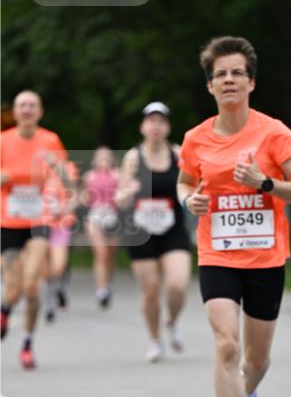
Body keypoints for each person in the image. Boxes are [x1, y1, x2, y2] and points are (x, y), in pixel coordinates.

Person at [177, 36, 291, 397]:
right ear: (210, 87)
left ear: (251, 82)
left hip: (266, 258)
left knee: (255, 358)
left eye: (237, 73)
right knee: (226, 343)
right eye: (220, 75)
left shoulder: (274, 133)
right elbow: (184, 182)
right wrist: (188, 200)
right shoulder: (196, 139)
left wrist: (263, 183)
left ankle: (248, 395)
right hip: (217, 253)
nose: (229, 80)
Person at [116, 103, 191, 361]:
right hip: (141, 231)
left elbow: (189, 187)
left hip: (172, 229)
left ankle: (172, 320)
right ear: (143, 127)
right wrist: (127, 192)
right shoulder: (133, 157)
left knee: (178, 285)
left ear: (168, 127)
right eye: (151, 121)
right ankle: (155, 340)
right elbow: (121, 196)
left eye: (161, 121)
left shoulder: (178, 154)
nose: (155, 126)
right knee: (150, 290)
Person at [0, 90, 69, 368]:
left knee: (32, 286)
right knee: (14, 288)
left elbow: (68, 177)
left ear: (39, 111)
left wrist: (57, 169)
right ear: (15, 112)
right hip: (9, 222)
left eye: (32, 105)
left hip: (39, 221)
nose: (27, 109)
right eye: (21, 105)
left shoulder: (50, 140)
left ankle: (27, 343)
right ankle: (4, 310)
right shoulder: (3, 141)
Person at [81, 146, 120, 308]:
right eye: (100, 157)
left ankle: (107, 281)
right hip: (95, 216)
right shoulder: (89, 176)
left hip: (113, 216)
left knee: (110, 254)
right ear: (94, 160)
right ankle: (101, 289)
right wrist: (83, 198)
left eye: (106, 157)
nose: (103, 160)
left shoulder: (117, 175)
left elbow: (124, 195)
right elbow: (84, 197)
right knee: (101, 253)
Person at [43, 158, 80, 322]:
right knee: (45, 266)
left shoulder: (67, 167)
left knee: (59, 265)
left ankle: (59, 288)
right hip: (39, 224)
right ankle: (50, 300)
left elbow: (75, 194)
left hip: (62, 224)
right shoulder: (30, 166)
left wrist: (64, 209)